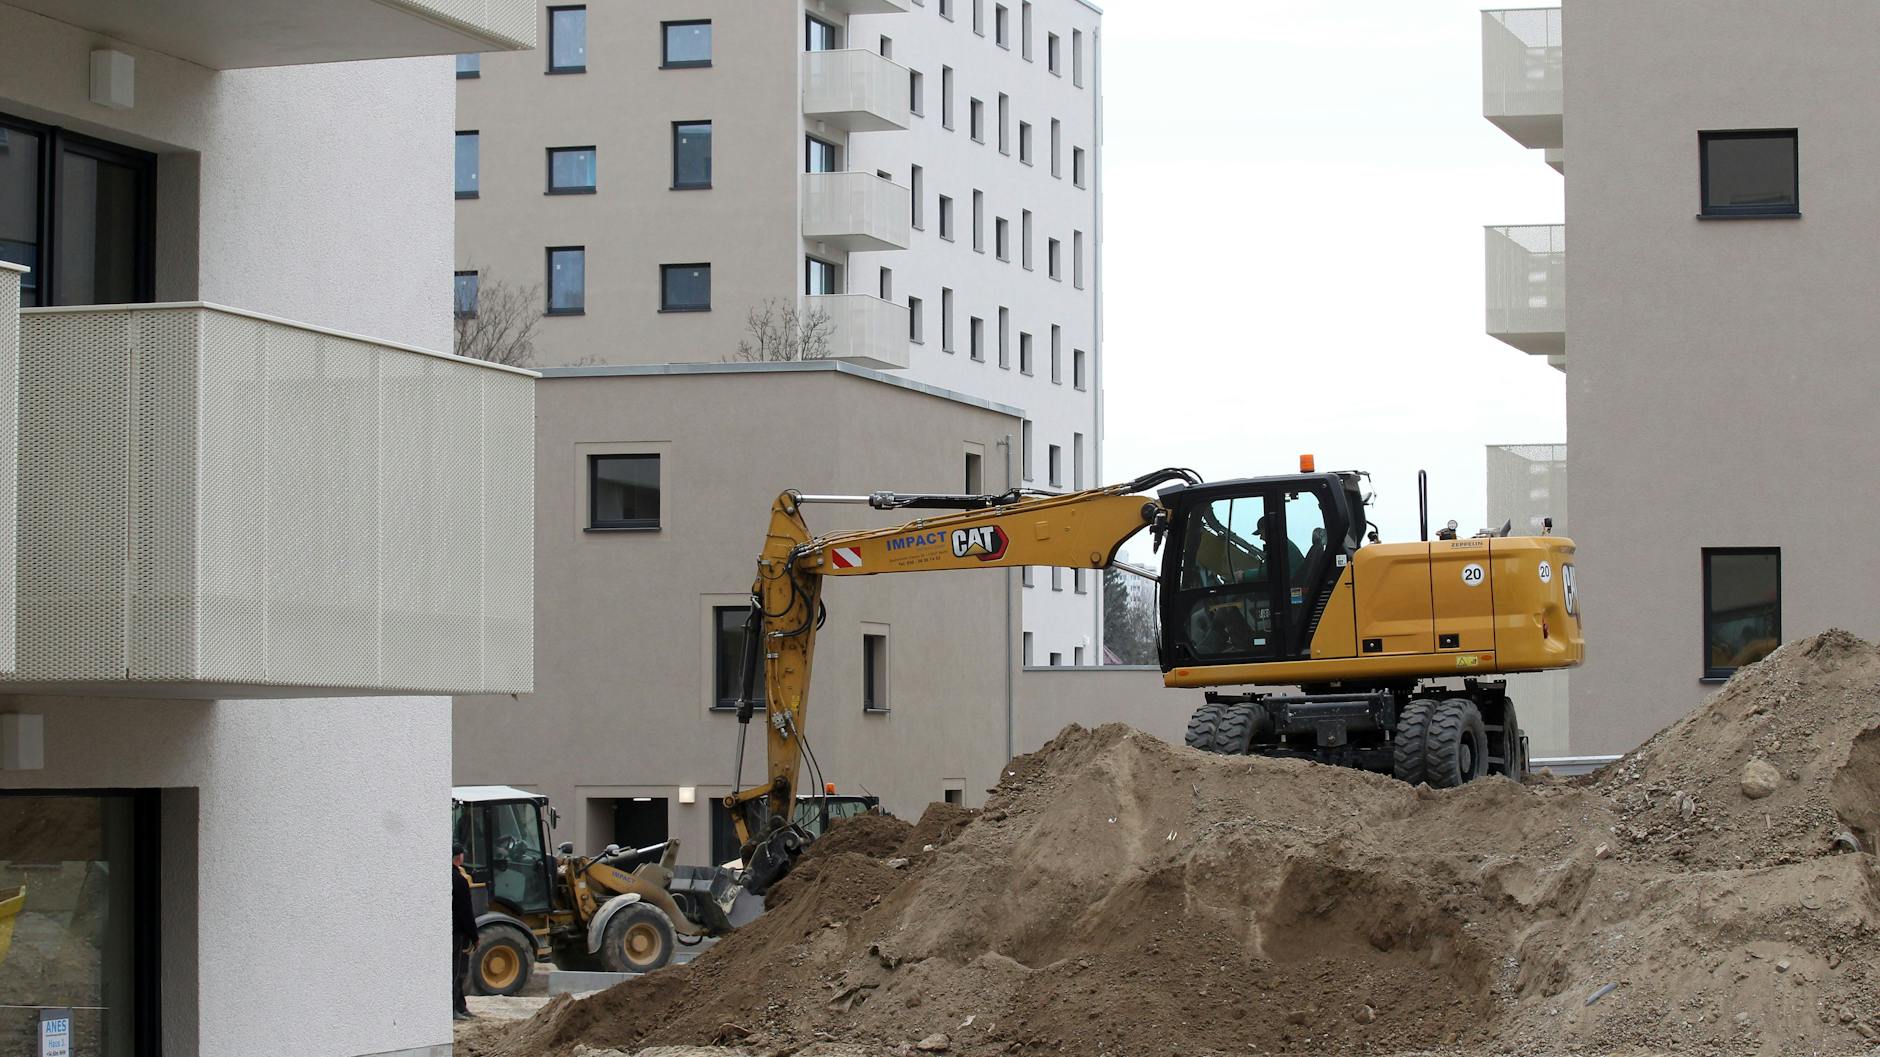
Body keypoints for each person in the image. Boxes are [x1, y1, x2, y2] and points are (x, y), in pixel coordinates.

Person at [452, 842, 477, 1021]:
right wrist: (474, 936)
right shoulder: (459, 881)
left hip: (450, 930)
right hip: (457, 933)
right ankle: (453, 1008)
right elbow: (466, 911)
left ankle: (460, 1005)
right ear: (459, 857)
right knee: (456, 972)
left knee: (457, 972)